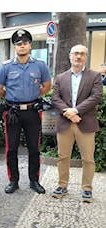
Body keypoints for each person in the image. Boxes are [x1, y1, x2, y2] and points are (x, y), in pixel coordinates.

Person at [0, 29, 52, 194]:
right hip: (13, 113)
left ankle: (34, 181)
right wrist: (11, 98)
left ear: (30, 45)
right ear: (15, 47)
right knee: (11, 148)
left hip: (32, 112)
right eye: (19, 44)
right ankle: (13, 181)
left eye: (25, 43)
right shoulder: (6, 67)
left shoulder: (40, 65)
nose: (22, 46)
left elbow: (46, 86)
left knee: (34, 148)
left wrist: (33, 97)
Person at [51, 44, 103, 203]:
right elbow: (55, 99)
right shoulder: (60, 77)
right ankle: (62, 185)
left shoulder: (94, 76)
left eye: (82, 54)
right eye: (75, 53)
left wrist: (76, 111)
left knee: (88, 158)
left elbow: (96, 97)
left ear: (86, 57)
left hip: (85, 123)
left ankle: (87, 189)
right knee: (63, 156)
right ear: (70, 56)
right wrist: (69, 112)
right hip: (65, 122)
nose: (78, 56)